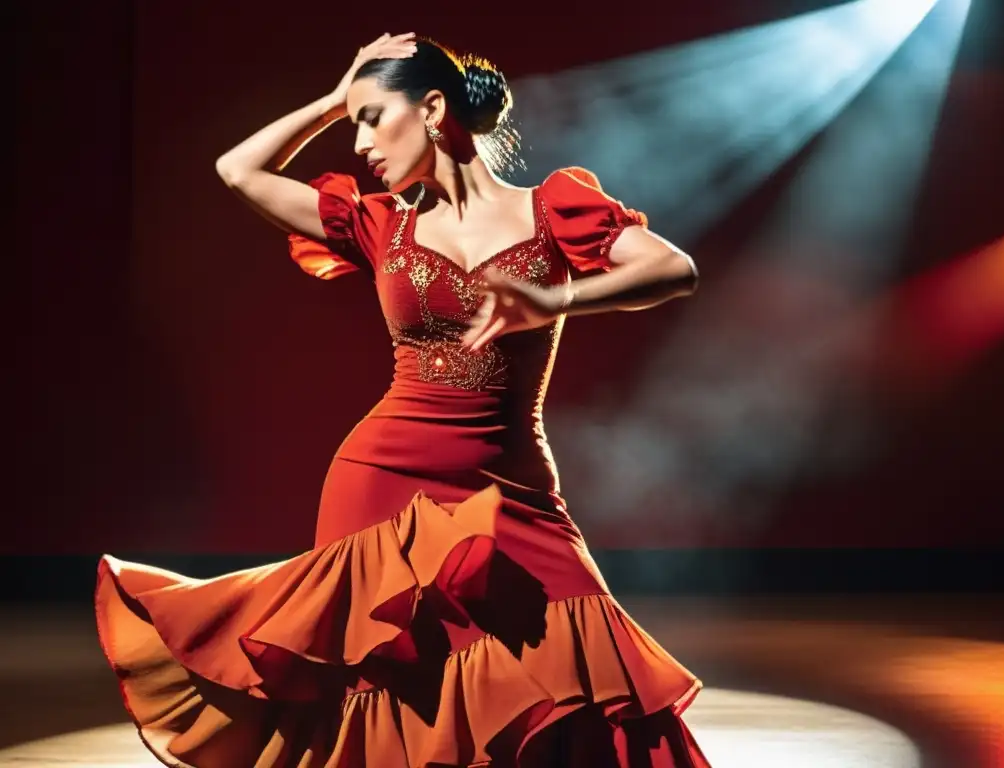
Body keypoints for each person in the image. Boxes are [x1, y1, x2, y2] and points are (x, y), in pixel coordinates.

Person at [95, 33, 710, 768]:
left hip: (511, 486)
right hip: (381, 481)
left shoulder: (553, 209)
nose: (358, 143)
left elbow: (673, 268)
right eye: (351, 122)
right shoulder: (377, 222)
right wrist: (337, 94)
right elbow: (239, 170)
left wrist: (554, 297)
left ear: (432, 109)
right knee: (391, 690)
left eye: (370, 117)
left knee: (581, 683)